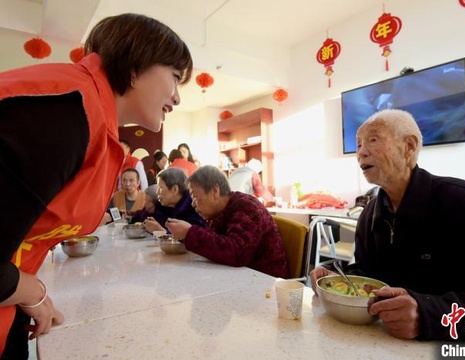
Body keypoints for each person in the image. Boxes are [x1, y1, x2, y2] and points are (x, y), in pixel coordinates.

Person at [0, 13, 193, 359]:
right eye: (176, 77)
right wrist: (31, 290)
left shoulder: (92, 117)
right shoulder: (65, 113)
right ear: (136, 67)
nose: (177, 97)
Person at [310, 109, 465, 343]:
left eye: (373, 140)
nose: (361, 152)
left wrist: (428, 315)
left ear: (409, 146)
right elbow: (371, 275)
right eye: (358, 144)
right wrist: (340, 280)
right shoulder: (370, 214)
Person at [165, 165, 289, 278]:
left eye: (196, 197)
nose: (193, 204)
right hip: (238, 277)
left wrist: (189, 233)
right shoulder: (217, 213)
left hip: (266, 282)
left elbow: (237, 253)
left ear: (215, 191)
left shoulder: (246, 207)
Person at [143, 167, 205, 233]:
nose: (157, 192)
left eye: (161, 187)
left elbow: (193, 236)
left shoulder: (193, 207)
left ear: (174, 190)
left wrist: (161, 231)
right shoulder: (164, 205)